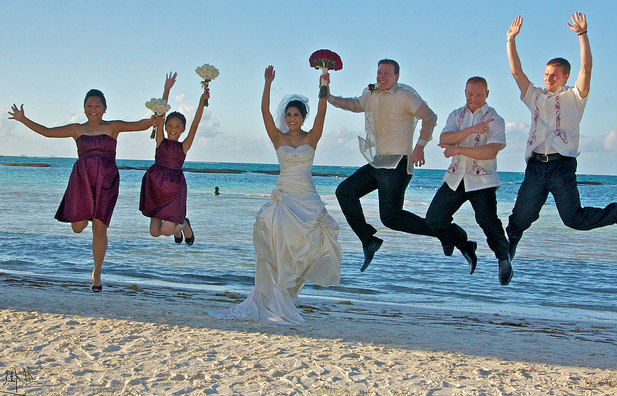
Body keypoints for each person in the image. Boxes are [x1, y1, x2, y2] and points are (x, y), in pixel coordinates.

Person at [210, 66, 341, 325]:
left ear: (303, 117)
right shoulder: (277, 137)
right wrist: (267, 83)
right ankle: (275, 295)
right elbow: (264, 112)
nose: (292, 118)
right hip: (284, 197)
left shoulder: (312, 137)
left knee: (313, 243)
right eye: (289, 114)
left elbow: (323, 111)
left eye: (296, 115)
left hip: (307, 196)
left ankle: (291, 289)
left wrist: (324, 83)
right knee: (276, 246)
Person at [8, 90, 157, 292]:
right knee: (78, 227)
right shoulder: (76, 129)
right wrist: (23, 119)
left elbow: (142, 124)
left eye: (97, 106)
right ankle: (88, 212)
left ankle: (97, 272)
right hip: (82, 179)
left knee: (99, 227)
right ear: (84, 108)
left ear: (105, 108)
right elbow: (47, 131)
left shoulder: (112, 127)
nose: (93, 109)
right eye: (89, 105)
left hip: (106, 180)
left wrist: (161, 105)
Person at [328, 59, 459, 272]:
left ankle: (447, 233)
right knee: (344, 192)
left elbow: (430, 117)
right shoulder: (370, 94)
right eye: (379, 72)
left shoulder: (405, 95)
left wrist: (420, 146)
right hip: (378, 162)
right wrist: (328, 95)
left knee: (390, 217)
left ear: (396, 76)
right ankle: (368, 240)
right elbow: (354, 105)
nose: (381, 77)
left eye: (387, 73)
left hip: (398, 163)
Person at [505, 13, 616, 260]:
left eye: (554, 75)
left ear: (565, 76)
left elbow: (586, 67)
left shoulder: (575, 97)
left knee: (574, 219)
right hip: (536, 165)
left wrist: (582, 35)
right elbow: (516, 72)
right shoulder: (534, 96)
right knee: (521, 217)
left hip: (561, 166)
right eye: (546, 74)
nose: (548, 78)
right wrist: (511, 41)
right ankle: (510, 245)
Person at [425, 77, 512, 285]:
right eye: (470, 94)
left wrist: (459, 148)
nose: (474, 98)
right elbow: (444, 139)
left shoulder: (495, 119)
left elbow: (491, 151)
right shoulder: (456, 115)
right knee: (434, 219)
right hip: (456, 177)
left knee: (488, 222)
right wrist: (472, 131)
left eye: (479, 94)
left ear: (487, 94)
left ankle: (503, 259)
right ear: (465, 92)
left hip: (482, 180)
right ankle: (465, 245)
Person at [139, 72, 209, 245]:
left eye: (177, 126)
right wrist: (166, 89)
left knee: (166, 230)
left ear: (182, 129)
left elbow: (195, 124)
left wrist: (202, 102)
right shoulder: (160, 141)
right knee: (155, 232)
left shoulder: (184, 146)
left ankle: (184, 224)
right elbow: (161, 115)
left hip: (174, 190)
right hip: (156, 188)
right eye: (170, 125)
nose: (172, 128)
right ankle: (180, 227)